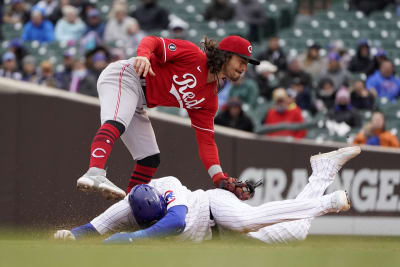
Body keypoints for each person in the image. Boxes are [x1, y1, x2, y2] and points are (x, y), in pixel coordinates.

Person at [76, 35, 261, 201]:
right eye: (241, 60)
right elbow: (153, 41)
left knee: (150, 158)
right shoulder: (193, 55)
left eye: (247, 63)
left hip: (140, 100)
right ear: (226, 55)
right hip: (125, 76)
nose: (244, 67)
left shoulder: (208, 99)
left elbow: (207, 142)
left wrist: (219, 178)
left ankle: (128, 206)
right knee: (117, 122)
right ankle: (95, 171)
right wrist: (143, 55)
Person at [54, 146, 360, 244]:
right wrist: (69, 236)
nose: (157, 215)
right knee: (296, 233)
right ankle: (323, 171)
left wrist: (131, 239)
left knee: (247, 220)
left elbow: (174, 222)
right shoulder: (127, 208)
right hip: (218, 239)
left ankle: (328, 202)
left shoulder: (167, 186)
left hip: (213, 208)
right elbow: (93, 230)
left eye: (158, 211)